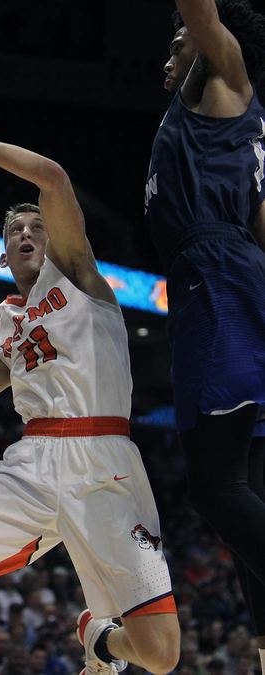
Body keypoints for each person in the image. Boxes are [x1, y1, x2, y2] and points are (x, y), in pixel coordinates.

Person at [0, 100, 181, 675]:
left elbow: (52, 177)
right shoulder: (6, 326)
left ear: (55, 240)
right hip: (33, 461)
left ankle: (99, 638)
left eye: (36, 226)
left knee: (160, 657)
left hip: (105, 462)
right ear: (2, 254)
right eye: (15, 229)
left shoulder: (80, 276)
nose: (26, 232)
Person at [144, 0, 265, 670]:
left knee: (215, 486)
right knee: (248, 479)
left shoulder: (228, 76)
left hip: (214, 281)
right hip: (235, 284)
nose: (172, 46)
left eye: (179, 35)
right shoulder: (229, 127)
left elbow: (201, 8)